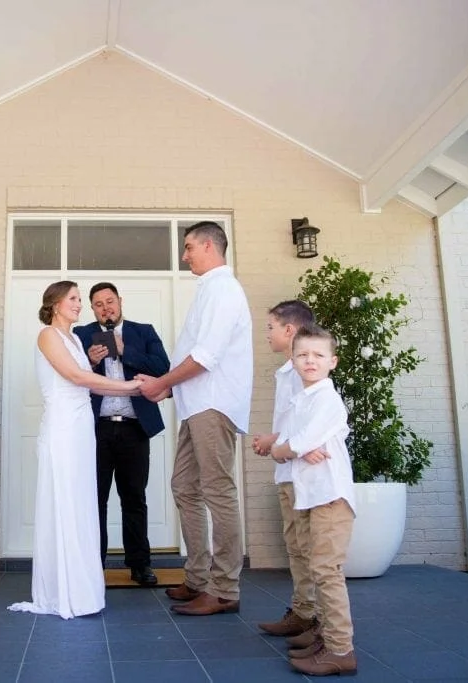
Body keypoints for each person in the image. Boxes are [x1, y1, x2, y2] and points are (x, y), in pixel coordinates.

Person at [138, 221, 253, 616]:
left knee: (218, 491)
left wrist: (161, 384)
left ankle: (224, 589)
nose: (184, 255)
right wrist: (165, 387)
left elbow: (206, 356)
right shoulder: (208, 291)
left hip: (214, 404)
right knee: (184, 487)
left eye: (188, 247)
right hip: (193, 404)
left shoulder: (224, 289)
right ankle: (198, 577)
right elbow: (195, 354)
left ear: (208, 245)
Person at [8, 281, 142, 619]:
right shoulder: (48, 335)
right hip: (63, 429)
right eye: (74, 299)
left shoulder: (75, 339)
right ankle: (63, 591)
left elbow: (85, 375)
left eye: (80, 300)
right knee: (66, 502)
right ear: (55, 303)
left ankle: (83, 589)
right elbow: (76, 378)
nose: (80, 305)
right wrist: (128, 386)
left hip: (83, 429)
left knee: (83, 503)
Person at [269, 325, 357, 676]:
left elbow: (292, 445)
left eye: (318, 355)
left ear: (332, 362)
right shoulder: (303, 398)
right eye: (303, 354)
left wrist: (285, 449)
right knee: (315, 565)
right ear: (292, 359)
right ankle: (324, 634)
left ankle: (341, 649)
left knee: (326, 571)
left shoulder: (326, 399)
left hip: (330, 496)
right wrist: (295, 448)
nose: (310, 360)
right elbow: (298, 443)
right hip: (311, 495)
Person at [73, 282, 170, 586]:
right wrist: (89, 360)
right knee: (94, 499)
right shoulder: (80, 335)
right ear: (92, 309)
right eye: (99, 304)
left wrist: (126, 349)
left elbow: (162, 368)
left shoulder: (144, 331)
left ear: (120, 302)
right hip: (96, 430)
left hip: (134, 427)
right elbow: (69, 376)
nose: (106, 308)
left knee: (134, 498)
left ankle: (140, 565)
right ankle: (94, 565)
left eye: (110, 301)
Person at [251, 300, 322, 645]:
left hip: (301, 475)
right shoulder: (287, 372)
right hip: (287, 473)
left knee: (307, 547)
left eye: (270, 327)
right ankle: (302, 612)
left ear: (289, 330)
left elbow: (309, 426)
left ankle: (317, 621)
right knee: (295, 546)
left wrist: (272, 440)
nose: (267, 334)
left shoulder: (301, 373)